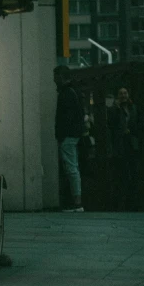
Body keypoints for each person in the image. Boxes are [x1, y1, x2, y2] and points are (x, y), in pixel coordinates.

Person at [53, 65, 85, 212]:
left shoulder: (66, 94)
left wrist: (61, 135)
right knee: (73, 167)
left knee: (71, 168)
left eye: (55, 77)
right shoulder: (74, 92)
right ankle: (76, 201)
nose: (54, 80)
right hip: (73, 134)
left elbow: (64, 118)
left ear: (60, 77)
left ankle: (76, 202)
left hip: (68, 135)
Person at [107, 87, 143, 210]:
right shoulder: (114, 109)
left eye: (125, 93)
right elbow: (111, 124)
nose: (123, 95)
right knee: (122, 173)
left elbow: (137, 123)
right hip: (120, 144)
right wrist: (116, 108)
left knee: (133, 171)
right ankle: (121, 202)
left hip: (131, 143)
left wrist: (132, 132)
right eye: (121, 93)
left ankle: (132, 201)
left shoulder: (133, 107)